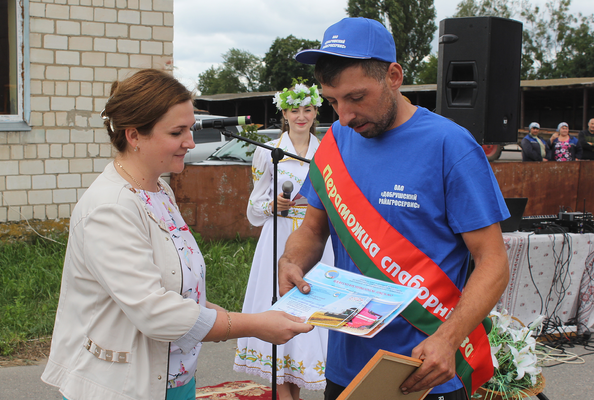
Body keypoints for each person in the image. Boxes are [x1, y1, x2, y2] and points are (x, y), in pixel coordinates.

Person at [40, 69, 313, 400]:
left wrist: (257, 318)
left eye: (190, 128)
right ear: (134, 136)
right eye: (177, 132)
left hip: (174, 380)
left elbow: (184, 295)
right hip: (122, 387)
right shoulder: (109, 208)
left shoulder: (160, 192)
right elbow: (157, 313)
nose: (191, 142)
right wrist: (255, 325)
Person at [278, 18, 510, 400]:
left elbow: (493, 261)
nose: (344, 116)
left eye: (356, 97)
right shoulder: (336, 140)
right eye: (333, 101)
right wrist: (292, 260)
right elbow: (314, 228)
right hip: (345, 367)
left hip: (426, 370)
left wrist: (448, 339)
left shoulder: (450, 145)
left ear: (394, 75)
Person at [233, 82, 335, 400]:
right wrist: (272, 205)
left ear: (316, 111)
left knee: (310, 311)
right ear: (284, 114)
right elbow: (253, 206)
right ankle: (283, 392)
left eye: (307, 109)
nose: (301, 116)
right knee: (277, 308)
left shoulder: (328, 151)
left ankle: (301, 384)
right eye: (294, 110)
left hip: (318, 241)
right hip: (277, 240)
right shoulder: (267, 152)